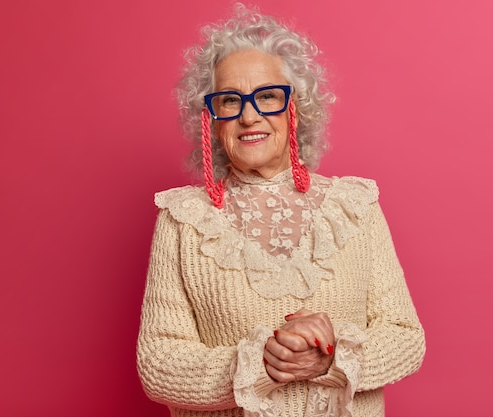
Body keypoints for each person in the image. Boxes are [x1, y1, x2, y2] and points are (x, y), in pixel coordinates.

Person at [137, 3, 425, 416]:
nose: (249, 116)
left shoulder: (356, 207)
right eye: (229, 101)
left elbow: (405, 338)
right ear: (211, 119)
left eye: (267, 96)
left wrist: (331, 359)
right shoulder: (182, 219)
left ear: (296, 108)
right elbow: (157, 364)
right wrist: (260, 363)